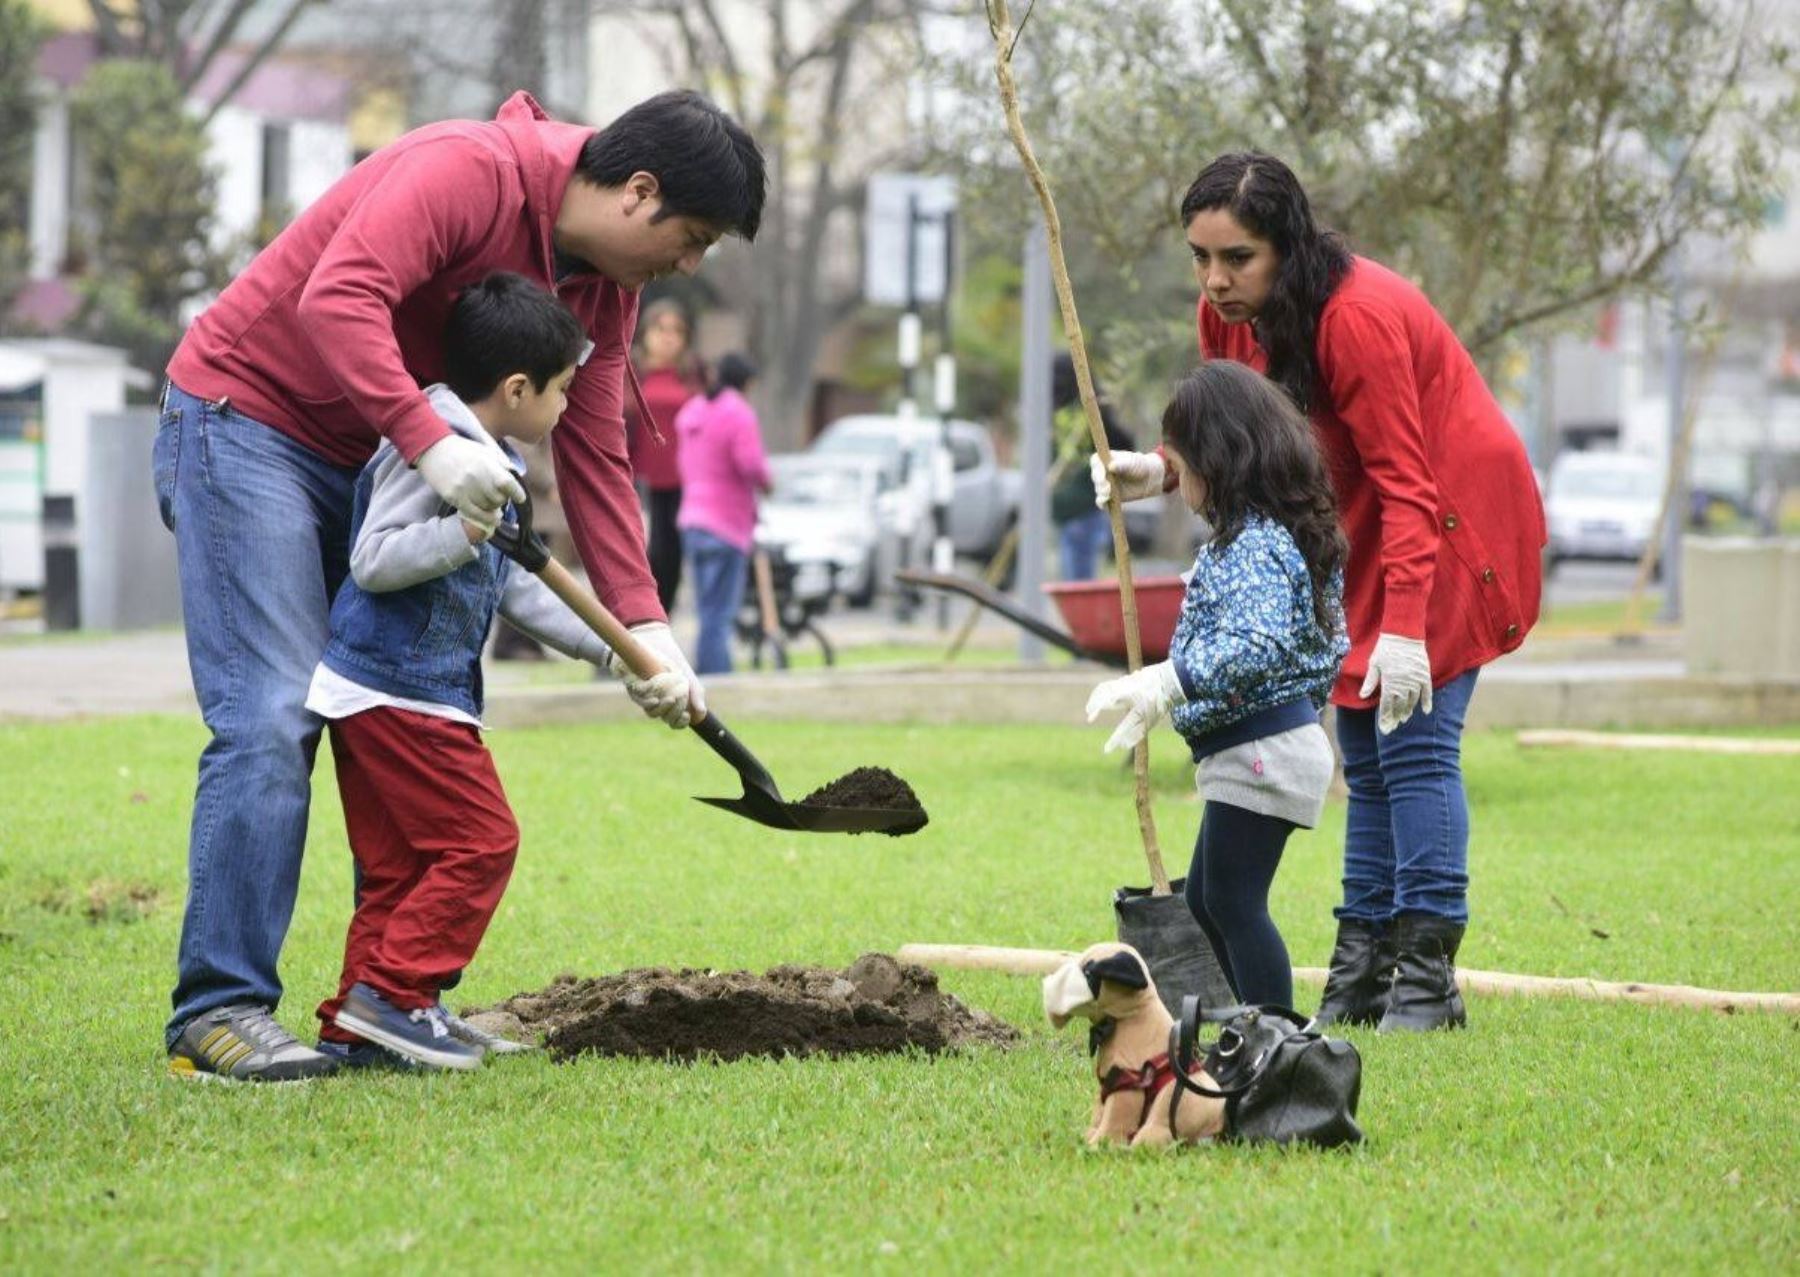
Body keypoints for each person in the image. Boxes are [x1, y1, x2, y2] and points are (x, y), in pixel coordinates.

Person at [154, 89, 765, 1081]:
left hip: (381, 464)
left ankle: (386, 1005)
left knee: (385, 724)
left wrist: (647, 632)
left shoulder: (604, 285)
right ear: (639, 192)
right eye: (690, 238)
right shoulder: (463, 169)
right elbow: (337, 298)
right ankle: (218, 1011)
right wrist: (434, 446)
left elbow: (596, 452)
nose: (689, 267)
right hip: (250, 421)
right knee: (273, 712)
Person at [1094, 152, 1545, 1032]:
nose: (1217, 281)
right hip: (1350, 530)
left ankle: (1425, 976)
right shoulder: (1226, 318)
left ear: (1288, 248)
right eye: (1201, 257)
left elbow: (1412, 482)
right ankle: (1362, 964)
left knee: (1411, 743)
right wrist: (1162, 470)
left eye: (1239, 259)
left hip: (1447, 522)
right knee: (1363, 752)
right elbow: (1240, 441)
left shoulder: (1358, 317)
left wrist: (1407, 628)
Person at [303, 275, 687, 1071]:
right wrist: (462, 532)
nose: (566, 410)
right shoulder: (434, 448)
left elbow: (514, 585)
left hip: (405, 694)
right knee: (482, 841)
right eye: (562, 393)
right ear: (516, 388)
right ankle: (398, 996)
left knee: (399, 869)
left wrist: (611, 647)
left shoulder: (496, 457)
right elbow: (372, 561)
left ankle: (358, 1025)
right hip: (397, 691)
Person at [1086, 363, 1347, 1010]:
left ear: (1219, 461)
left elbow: (1257, 644)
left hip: (1264, 750)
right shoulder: (1250, 538)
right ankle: (1248, 1026)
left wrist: (1172, 680)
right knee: (1207, 898)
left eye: (1181, 463)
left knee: (1232, 899)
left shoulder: (1257, 544)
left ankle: (1279, 1039)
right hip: (1254, 750)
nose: (1175, 480)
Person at [675, 353, 771, 676]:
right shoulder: (739, 413)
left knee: (705, 609)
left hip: (691, 519)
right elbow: (751, 464)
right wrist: (768, 483)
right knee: (720, 611)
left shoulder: (692, 411)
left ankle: (704, 671)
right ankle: (718, 678)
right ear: (745, 382)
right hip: (726, 523)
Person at [626, 299, 704, 611]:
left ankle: (661, 620)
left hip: (682, 481)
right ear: (645, 333)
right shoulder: (630, 372)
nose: (668, 337)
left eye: (676, 331)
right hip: (639, 479)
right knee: (641, 555)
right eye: (660, 329)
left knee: (671, 557)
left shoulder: (693, 375)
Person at [1049, 352, 1135, 581]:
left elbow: (1124, 445)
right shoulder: (1060, 414)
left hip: (1086, 513)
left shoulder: (1093, 413)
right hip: (1066, 514)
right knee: (1072, 584)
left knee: (1078, 585)